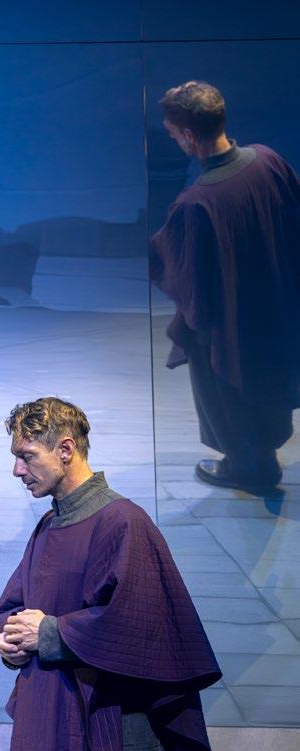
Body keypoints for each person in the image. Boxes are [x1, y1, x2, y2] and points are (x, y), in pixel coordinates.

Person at [0, 397, 221, 751]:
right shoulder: (49, 523)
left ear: (65, 450)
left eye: (26, 456)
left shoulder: (124, 521)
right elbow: (17, 605)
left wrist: (48, 633)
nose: (17, 470)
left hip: (109, 724)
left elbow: (142, 625)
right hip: (50, 718)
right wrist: (12, 642)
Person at [150, 81, 300, 494]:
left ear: (188, 136)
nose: (175, 141)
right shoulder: (268, 161)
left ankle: (247, 468)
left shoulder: (196, 201)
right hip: (276, 308)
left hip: (231, 323)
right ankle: (263, 459)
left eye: (173, 134)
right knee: (268, 383)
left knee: (225, 386)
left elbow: (185, 275)